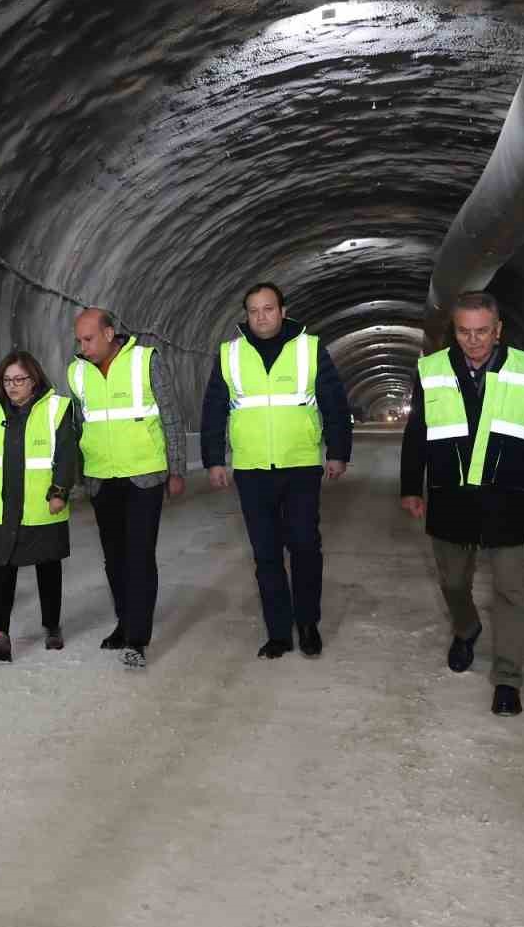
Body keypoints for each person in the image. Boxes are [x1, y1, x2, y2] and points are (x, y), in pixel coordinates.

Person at [400, 291, 524, 717]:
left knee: (510, 591)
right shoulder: (431, 370)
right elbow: (417, 433)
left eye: (482, 331)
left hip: (507, 495)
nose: (473, 340)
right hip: (451, 495)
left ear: (498, 329)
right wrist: (411, 487)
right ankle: (466, 629)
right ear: (454, 331)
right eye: (464, 332)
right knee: (453, 582)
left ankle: (507, 679)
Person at [200, 282, 353, 660]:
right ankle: (279, 633)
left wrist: (338, 452)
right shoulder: (230, 355)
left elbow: (334, 402)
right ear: (246, 316)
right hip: (251, 469)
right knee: (266, 553)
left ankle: (308, 624)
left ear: (283, 311)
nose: (261, 317)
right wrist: (214, 459)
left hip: (300, 465)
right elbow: (214, 408)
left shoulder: (309, 348)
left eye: (268, 309)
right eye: (253, 311)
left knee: (304, 545)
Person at [65, 308, 187, 669]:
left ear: (109, 333)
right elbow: (79, 424)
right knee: (114, 557)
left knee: (139, 555)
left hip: (144, 475)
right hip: (102, 478)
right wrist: (77, 477)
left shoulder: (146, 361)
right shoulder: (77, 372)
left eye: (88, 339)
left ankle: (137, 638)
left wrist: (177, 469)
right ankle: (124, 622)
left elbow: (171, 416)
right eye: (79, 340)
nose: (83, 347)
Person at [0, 350, 80, 663]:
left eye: (19, 380)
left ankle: (52, 626)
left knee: (48, 567)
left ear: (34, 380)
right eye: (7, 380)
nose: (12, 386)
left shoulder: (56, 408)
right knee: (2, 570)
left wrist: (59, 491)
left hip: (41, 506)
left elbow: (67, 454)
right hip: (3, 506)